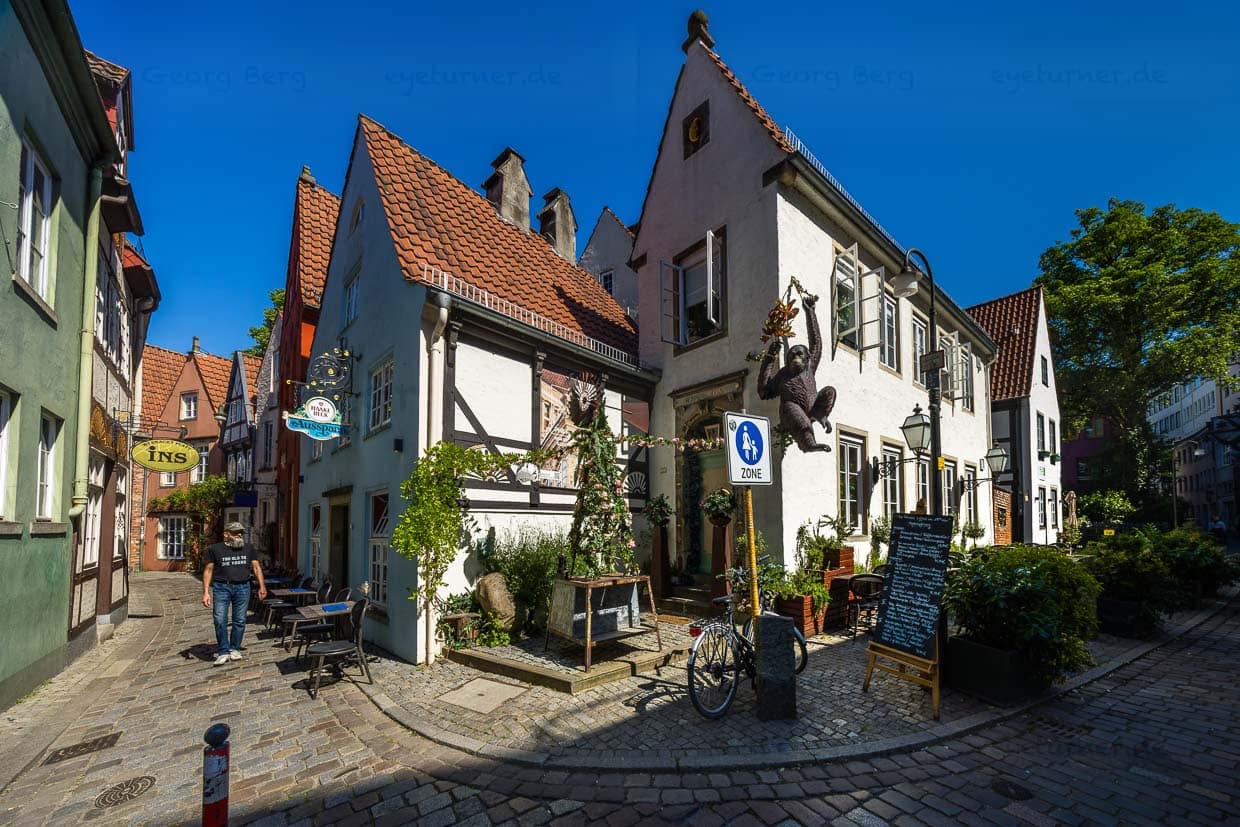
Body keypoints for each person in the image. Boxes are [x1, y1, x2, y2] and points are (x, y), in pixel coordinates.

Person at [202, 522, 267, 666]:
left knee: (240, 620)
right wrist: (206, 592)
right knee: (220, 619)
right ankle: (223, 651)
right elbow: (208, 570)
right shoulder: (215, 549)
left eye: (241, 532)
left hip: (243, 587)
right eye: (235, 532)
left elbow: (256, 567)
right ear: (226, 534)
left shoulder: (248, 549)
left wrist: (262, 586)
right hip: (221, 587)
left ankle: (235, 648)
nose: (239, 535)